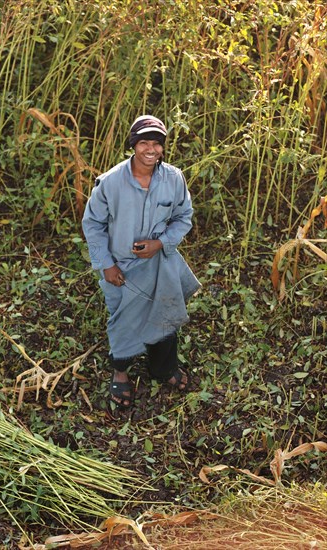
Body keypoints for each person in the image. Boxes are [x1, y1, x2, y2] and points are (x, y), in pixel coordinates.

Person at [82, 115, 201, 408]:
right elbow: (93, 223)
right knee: (123, 318)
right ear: (133, 145)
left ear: (163, 147)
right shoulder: (110, 183)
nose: (151, 149)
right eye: (144, 142)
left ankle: (164, 368)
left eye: (157, 143)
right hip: (120, 267)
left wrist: (159, 243)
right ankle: (120, 371)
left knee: (165, 311)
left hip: (160, 262)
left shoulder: (173, 178)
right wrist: (106, 265)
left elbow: (184, 216)